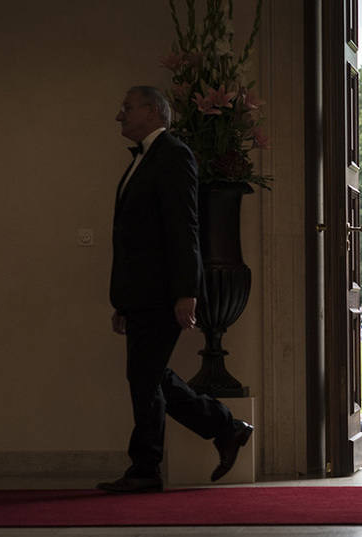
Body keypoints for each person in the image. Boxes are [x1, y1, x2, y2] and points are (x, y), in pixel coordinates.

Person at [96, 86, 253, 494]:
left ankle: (146, 468)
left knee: (145, 379)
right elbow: (131, 239)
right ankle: (226, 428)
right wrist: (123, 302)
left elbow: (185, 228)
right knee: (148, 376)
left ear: (152, 111)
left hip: (164, 293)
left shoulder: (174, 154)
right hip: (142, 294)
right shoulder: (146, 160)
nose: (120, 116)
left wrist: (188, 292)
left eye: (127, 107)